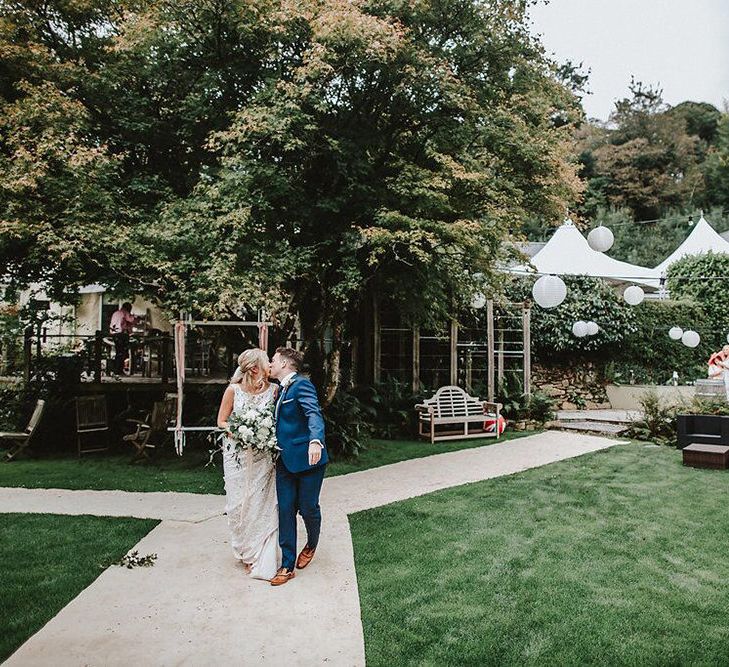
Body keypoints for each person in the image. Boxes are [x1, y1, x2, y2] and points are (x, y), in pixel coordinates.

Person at [216, 349, 280, 580]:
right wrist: (239, 432)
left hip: (263, 456)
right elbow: (221, 421)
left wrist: (261, 435)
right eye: (266, 363)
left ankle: (260, 551)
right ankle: (245, 549)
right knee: (238, 503)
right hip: (237, 456)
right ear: (255, 369)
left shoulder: (274, 392)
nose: (270, 367)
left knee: (261, 501)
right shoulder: (233, 390)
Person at [267, 347, 327, 587]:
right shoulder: (279, 390)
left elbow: (313, 414)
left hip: (309, 459)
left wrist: (315, 441)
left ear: (283, 363)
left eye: (272, 360)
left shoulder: (301, 385)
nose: (270, 364)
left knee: (308, 508)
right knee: (285, 509)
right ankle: (287, 565)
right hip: (283, 461)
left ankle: (312, 543)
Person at [109, 302, 136, 375]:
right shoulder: (125, 312)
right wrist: (134, 316)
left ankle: (117, 370)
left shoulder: (116, 313)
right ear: (128, 308)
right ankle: (118, 370)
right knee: (122, 353)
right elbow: (131, 320)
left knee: (118, 352)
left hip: (114, 334)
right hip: (121, 334)